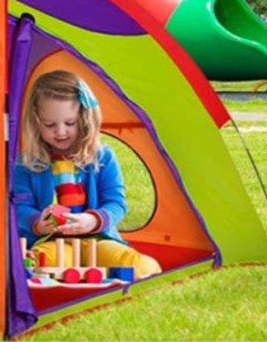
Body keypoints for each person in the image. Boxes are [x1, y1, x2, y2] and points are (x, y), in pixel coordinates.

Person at [13, 69, 161, 280]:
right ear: (36, 122)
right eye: (50, 125)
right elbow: (19, 207)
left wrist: (92, 221)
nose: (61, 131)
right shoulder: (25, 164)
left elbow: (116, 204)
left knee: (139, 266)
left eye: (70, 123)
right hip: (51, 242)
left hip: (98, 240)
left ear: (84, 119)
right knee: (38, 263)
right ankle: (47, 273)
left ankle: (93, 273)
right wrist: (37, 223)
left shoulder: (102, 157)